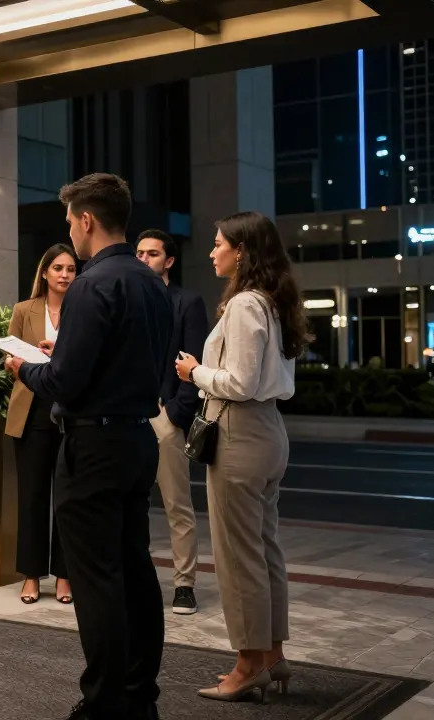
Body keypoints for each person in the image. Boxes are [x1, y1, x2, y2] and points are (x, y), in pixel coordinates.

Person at [5, 173, 170, 720]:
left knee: (97, 581)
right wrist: (66, 351)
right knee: (136, 571)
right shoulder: (151, 283)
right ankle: (139, 694)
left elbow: (66, 383)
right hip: (137, 439)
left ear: (88, 220)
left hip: (93, 444)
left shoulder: (90, 286)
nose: (70, 233)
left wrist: (25, 366)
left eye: (71, 221)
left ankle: (104, 705)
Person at [175, 211, 305, 704]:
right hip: (268, 432)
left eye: (218, 244)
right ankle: (271, 655)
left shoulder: (246, 305)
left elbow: (238, 383)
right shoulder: (273, 303)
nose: (211, 252)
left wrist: (194, 372)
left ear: (242, 252)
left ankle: (248, 665)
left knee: (239, 556)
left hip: (240, 432)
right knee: (265, 548)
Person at [136, 229, 208, 616]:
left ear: (169, 261)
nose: (144, 259)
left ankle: (184, 585)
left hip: (166, 416)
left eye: (152, 253)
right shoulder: (129, 301)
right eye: (139, 253)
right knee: (131, 504)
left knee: (177, 505)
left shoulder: (187, 302)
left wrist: (175, 416)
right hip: (129, 414)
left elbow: (195, 361)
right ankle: (137, 579)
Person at [5, 244, 77, 606]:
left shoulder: (82, 310)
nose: (65, 274)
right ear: (45, 272)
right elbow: (10, 356)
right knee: (32, 497)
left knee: (66, 500)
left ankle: (64, 577)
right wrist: (13, 361)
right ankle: (31, 576)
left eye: (71, 269)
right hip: (31, 410)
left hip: (70, 411)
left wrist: (58, 350)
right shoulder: (23, 310)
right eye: (58, 268)